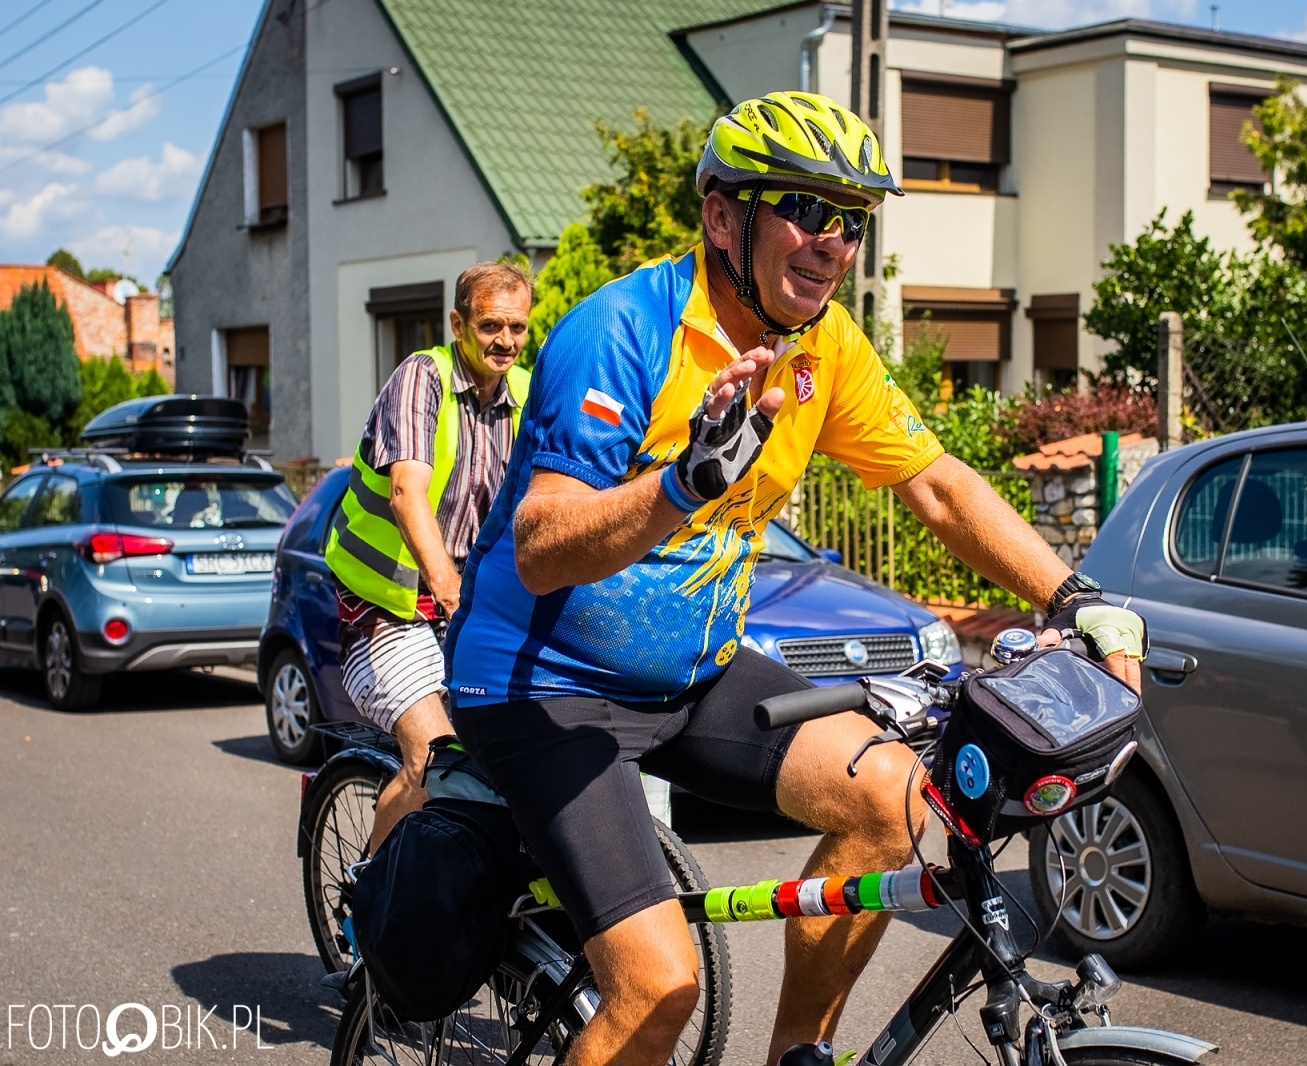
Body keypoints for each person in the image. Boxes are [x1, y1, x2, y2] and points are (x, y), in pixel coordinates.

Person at [445, 92, 1146, 1066]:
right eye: (806, 211)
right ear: (723, 215)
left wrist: (1077, 599)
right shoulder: (619, 333)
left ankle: (797, 1056)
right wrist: (685, 482)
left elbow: (937, 486)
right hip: (545, 687)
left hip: (692, 671)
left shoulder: (825, 347)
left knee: (897, 802)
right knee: (657, 987)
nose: (831, 244)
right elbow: (542, 546)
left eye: (850, 222)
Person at [325, 261, 531, 852]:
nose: (506, 342)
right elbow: (406, 493)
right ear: (458, 323)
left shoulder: (522, 393)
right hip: (386, 608)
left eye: (518, 327)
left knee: (530, 748)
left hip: (471, 610)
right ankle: (371, 900)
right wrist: (446, 585)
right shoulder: (423, 378)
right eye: (491, 325)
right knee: (436, 757)